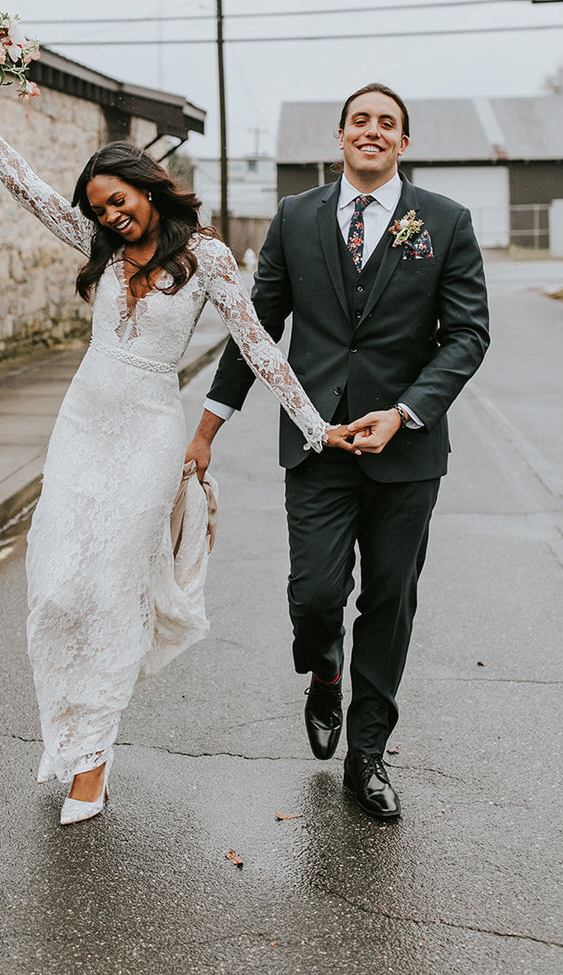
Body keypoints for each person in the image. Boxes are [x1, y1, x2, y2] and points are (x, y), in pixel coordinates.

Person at [0, 73, 361, 825]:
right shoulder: (97, 246)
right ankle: (67, 732)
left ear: (148, 186)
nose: (110, 214)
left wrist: (312, 424)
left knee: (108, 590)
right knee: (59, 584)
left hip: (148, 437)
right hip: (81, 426)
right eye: (99, 207)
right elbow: (29, 189)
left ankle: (91, 762)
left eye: (118, 199)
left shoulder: (208, 259)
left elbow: (259, 346)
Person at [187, 84, 490, 822]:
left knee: (389, 602)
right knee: (316, 596)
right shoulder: (296, 218)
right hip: (316, 443)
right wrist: (209, 426)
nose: (374, 131)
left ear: (404, 143)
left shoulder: (444, 222)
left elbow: (468, 334)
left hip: (405, 451)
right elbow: (257, 328)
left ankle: (368, 754)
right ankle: (324, 671)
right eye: (362, 121)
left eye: (388, 123)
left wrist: (408, 411)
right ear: (341, 136)